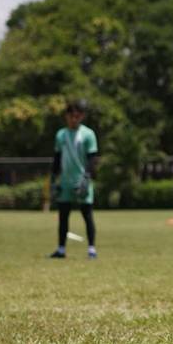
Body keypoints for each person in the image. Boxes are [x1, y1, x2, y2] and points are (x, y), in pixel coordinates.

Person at [48, 102, 100, 260]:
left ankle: (91, 249)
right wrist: (53, 179)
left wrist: (87, 177)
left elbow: (92, 159)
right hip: (65, 181)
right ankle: (61, 249)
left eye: (77, 116)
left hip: (82, 181)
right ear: (66, 116)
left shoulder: (88, 134)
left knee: (87, 215)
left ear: (82, 116)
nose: (74, 119)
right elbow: (57, 158)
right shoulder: (61, 135)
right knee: (63, 216)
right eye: (71, 116)